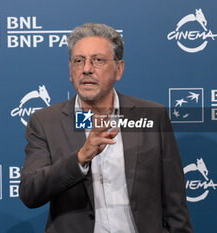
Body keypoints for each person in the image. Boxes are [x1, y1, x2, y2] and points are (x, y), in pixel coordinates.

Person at [19, 23, 193, 233]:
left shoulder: (151, 116)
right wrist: (80, 158)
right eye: (78, 61)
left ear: (118, 69)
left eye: (98, 60)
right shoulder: (46, 122)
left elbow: (175, 200)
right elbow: (30, 192)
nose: (86, 69)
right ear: (70, 71)